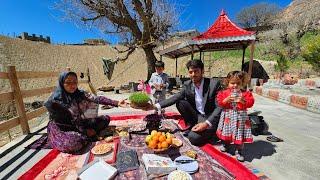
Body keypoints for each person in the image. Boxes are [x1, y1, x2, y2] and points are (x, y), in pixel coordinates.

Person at [42, 71, 128, 153]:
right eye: (68, 83)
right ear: (62, 83)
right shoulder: (55, 101)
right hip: (62, 128)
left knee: (106, 119)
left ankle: (88, 135)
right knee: (75, 142)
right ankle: (86, 136)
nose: (72, 85)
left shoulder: (80, 94)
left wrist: (116, 103)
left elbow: (97, 98)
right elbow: (64, 124)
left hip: (78, 122)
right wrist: (84, 131)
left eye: (75, 82)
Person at [153, 60, 222, 146]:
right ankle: (192, 125)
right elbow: (176, 97)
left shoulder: (214, 84)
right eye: (190, 72)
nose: (193, 74)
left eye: (196, 71)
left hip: (209, 118)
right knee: (180, 102)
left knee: (193, 138)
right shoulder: (187, 84)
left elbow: (219, 107)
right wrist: (155, 106)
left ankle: (211, 133)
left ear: (202, 71)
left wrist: (206, 124)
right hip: (197, 115)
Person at [216, 71, 254, 161]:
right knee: (227, 131)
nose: (235, 85)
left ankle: (239, 150)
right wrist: (226, 100)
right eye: (232, 83)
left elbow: (250, 103)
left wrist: (243, 101)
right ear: (227, 82)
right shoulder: (224, 93)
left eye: (238, 83)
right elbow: (220, 103)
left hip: (240, 118)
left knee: (239, 134)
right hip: (228, 117)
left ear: (242, 83)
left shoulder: (245, 93)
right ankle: (226, 144)